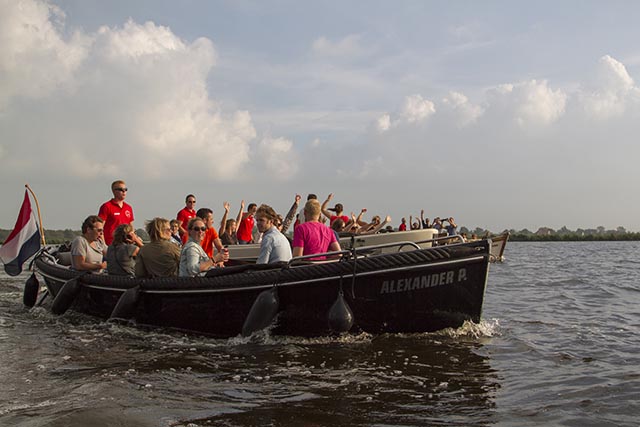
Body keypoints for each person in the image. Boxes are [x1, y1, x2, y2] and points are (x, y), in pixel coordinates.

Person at [98, 180, 134, 245]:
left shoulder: (128, 207)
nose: (124, 192)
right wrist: (104, 246)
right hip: (111, 244)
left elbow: (131, 227)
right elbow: (100, 228)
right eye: (121, 189)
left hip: (125, 244)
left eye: (125, 189)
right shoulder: (106, 206)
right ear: (114, 191)